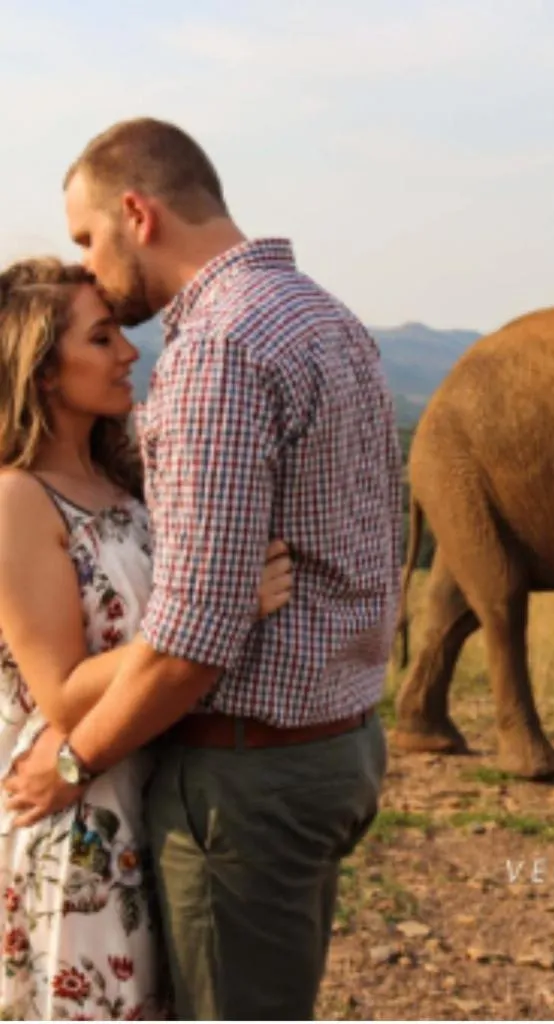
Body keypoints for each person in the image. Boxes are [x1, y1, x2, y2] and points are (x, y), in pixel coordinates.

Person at [2, 117, 404, 1020]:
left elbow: (194, 635)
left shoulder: (217, 348)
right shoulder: (323, 316)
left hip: (248, 779)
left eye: (85, 239)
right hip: (336, 742)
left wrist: (75, 760)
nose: (89, 266)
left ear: (136, 214)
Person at [0, 257, 296, 1019]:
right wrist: (226, 607)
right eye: (102, 339)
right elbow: (61, 691)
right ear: (40, 371)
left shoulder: (122, 482)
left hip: (151, 794)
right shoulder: (16, 500)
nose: (130, 352)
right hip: (78, 815)